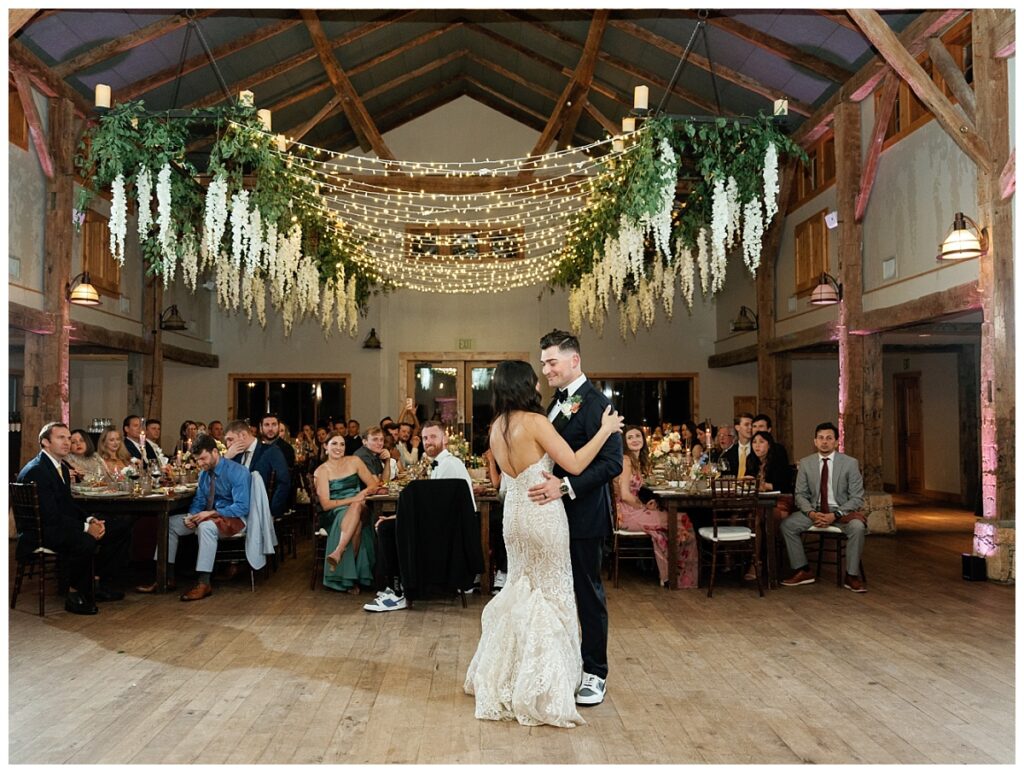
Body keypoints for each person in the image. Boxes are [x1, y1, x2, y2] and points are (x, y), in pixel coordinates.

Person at [462, 358, 623, 727]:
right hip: (542, 513)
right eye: (535, 379)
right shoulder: (535, 422)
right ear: (523, 385)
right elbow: (577, 464)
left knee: (521, 588)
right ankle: (545, 682)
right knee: (552, 593)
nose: (540, 384)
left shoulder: (495, 427)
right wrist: (605, 429)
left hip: (514, 517)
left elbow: (503, 478)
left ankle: (508, 675)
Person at [17, 422, 132, 613]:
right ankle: (73, 594)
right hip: (40, 531)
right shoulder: (37, 470)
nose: (67, 442)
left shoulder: (59, 466)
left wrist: (90, 520)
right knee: (86, 541)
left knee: (120, 528)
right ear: (45, 442)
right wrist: (86, 529)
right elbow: (50, 516)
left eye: (68, 438)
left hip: (56, 524)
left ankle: (96, 582)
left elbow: (68, 505)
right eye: (60, 438)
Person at [363, 421, 478, 612]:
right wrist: (396, 518)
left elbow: (442, 512)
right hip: (437, 525)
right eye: (425, 438)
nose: (428, 441)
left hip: (445, 533)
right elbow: (431, 509)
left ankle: (400, 589)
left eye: (433, 437)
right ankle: (395, 586)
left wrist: (397, 520)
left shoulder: (450, 465)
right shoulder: (439, 464)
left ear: (444, 438)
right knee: (388, 525)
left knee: (386, 529)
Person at [136, 433, 250, 601]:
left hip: (233, 519)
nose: (200, 463)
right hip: (208, 516)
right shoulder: (204, 474)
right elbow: (199, 500)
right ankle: (165, 577)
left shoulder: (237, 471)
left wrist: (212, 513)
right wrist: (191, 515)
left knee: (206, 527)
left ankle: (204, 582)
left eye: (203, 459)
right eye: (197, 460)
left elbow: (242, 506)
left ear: (215, 452)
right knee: (169, 524)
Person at [781, 422, 867, 593]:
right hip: (815, 510)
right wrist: (812, 513)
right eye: (821, 438)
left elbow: (857, 497)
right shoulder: (806, 463)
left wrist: (835, 514)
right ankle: (803, 570)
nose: (824, 442)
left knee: (857, 527)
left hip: (841, 511)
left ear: (836, 442)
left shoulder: (850, 463)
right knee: (787, 525)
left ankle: (851, 575)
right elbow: (800, 495)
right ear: (815, 441)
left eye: (829, 438)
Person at [615, 426, 697, 588]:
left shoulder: (635, 460)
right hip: (626, 513)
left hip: (633, 509)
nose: (635, 440)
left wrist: (645, 504)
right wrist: (642, 505)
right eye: (630, 437)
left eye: (638, 436)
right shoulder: (625, 460)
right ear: (624, 442)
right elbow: (624, 495)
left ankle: (669, 575)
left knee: (671, 525)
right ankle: (680, 577)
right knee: (681, 520)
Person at [317, 432, 378, 593]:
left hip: (361, 506)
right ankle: (352, 577)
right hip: (334, 512)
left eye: (342, 444)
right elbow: (326, 504)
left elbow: (373, 485)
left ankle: (339, 551)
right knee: (356, 522)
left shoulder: (354, 461)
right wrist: (354, 499)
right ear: (325, 447)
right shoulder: (322, 471)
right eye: (334, 444)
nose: (339, 448)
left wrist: (361, 496)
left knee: (358, 508)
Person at [222, 420, 291, 518]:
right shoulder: (235, 454)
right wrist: (226, 458)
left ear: (243, 435)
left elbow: (284, 483)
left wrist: (271, 512)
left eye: (230, 439)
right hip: (235, 509)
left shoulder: (271, 451)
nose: (228, 445)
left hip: (261, 511)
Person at [723, 413, 760, 479]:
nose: (750, 428)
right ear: (737, 427)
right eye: (746, 425)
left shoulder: (759, 450)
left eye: (752, 425)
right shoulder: (728, 454)